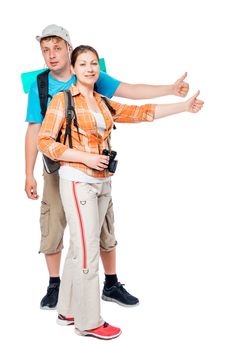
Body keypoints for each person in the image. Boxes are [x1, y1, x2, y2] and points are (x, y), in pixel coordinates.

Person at [37, 45, 203, 339]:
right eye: (83, 64)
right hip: (77, 181)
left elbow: (141, 112)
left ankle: (66, 309)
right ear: (73, 69)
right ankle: (88, 321)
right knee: (88, 251)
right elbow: (45, 142)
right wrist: (84, 158)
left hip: (102, 182)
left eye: (93, 64)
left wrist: (183, 106)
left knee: (79, 248)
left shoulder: (102, 102)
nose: (89, 69)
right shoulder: (62, 101)